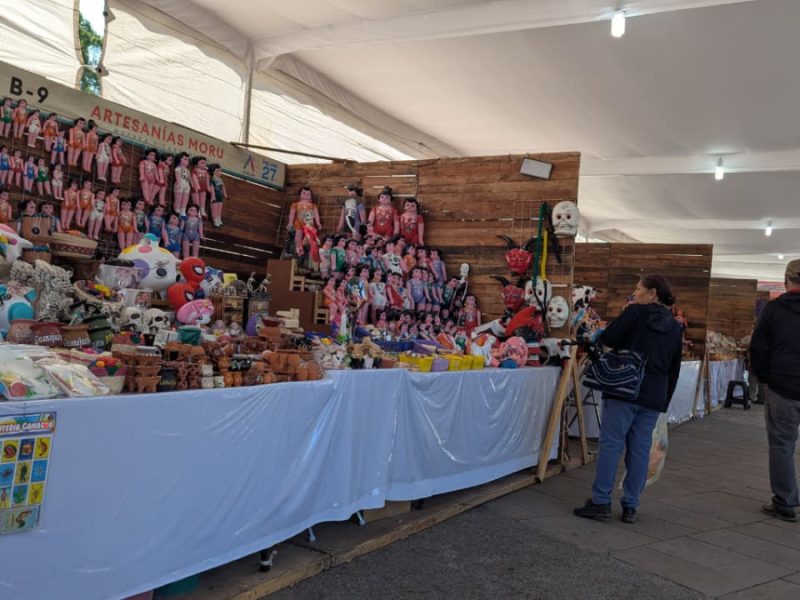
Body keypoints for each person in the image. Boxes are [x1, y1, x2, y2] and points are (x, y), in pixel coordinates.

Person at [574, 274, 682, 524]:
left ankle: (600, 501)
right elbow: (674, 368)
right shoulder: (675, 327)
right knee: (640, 449)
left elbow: (609, 338)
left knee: (611, 444)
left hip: (625, 387)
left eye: (638, 289)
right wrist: (664, 401)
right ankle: (631, 505)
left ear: (652, 293)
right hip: (654, 393)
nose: (635, 293)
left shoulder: (634, 313)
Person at [749, 259, 800, 523]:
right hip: (784, 383)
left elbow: (758, 347)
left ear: (785, 280)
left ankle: (786, 501)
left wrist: (766, 380)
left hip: (784, 386)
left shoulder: (774, 309)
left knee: (782, 445)